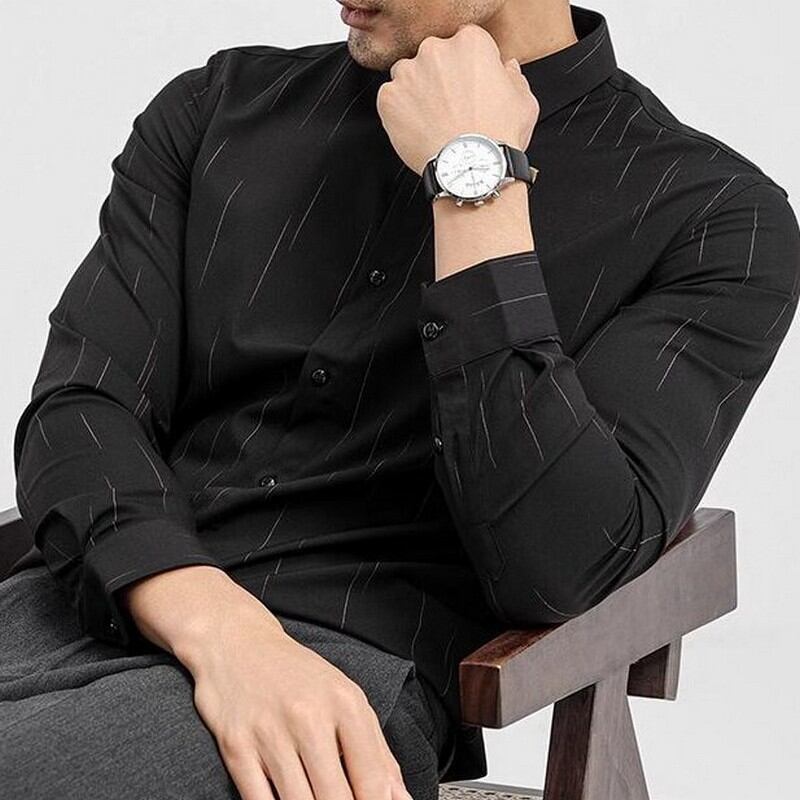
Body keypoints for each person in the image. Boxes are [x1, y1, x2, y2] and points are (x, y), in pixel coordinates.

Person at [2, 1, 798, 798]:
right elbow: (80, 408)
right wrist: (225, 633)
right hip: (76, 605)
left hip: (333, 695)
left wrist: (475, 183)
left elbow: (561, 565)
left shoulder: (713, 221)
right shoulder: (220, 106)